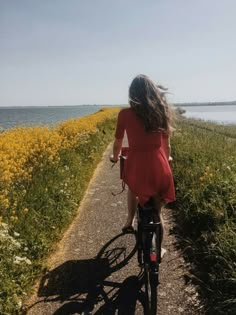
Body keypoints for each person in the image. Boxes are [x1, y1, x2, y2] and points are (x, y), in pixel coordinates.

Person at [110, 74, 176, 242]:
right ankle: (158, 248)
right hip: (158, 163)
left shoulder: (124, 114)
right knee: (157, 210)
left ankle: (129, 220)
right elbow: (166, 145)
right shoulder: (160, 113)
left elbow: (118, 142)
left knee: (133, 186)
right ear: (153, 92)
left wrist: (114, 156)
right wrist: (166, 160)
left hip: (136, 162)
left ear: (132, 94)